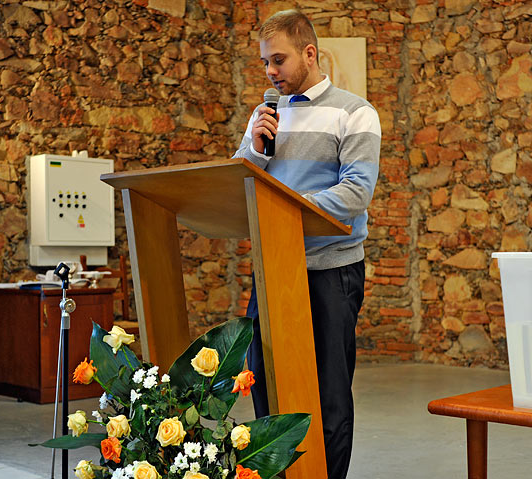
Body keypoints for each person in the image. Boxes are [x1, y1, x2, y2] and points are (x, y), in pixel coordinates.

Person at [232, 9, 381, 479]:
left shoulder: (355, 112)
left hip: (331, 271)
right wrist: (255, 150)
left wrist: (284, 210)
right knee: (264, 383)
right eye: (265, 62)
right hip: (273, 268)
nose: (270, 72)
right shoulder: (264, 116)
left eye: (279, 60)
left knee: (329, 393)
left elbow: (355, 194)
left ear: (310, 53)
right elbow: (237, 184)